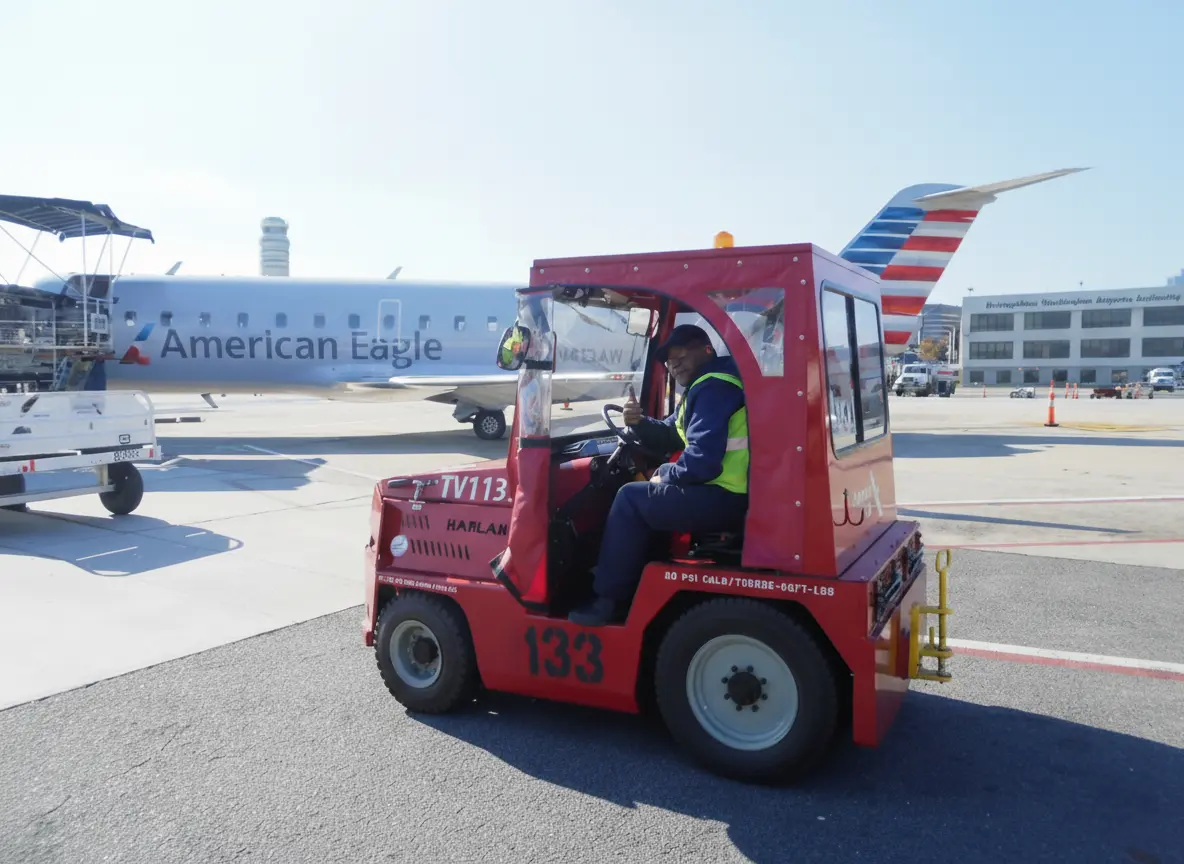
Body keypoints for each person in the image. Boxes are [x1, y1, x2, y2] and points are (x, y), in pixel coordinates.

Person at [568, 324, 749, 626]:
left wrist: (664, 474)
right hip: (725, 492)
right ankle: (636, 577)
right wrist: (639, 423)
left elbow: (703, 461)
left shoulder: (714, 388)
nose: (674, 365)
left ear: (706, 351)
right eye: (669, 361)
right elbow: (672, 434)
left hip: (724, 496)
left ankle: (609, 600)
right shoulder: (703, 386)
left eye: (681, 356)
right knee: (644, 490)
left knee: (629, 498)